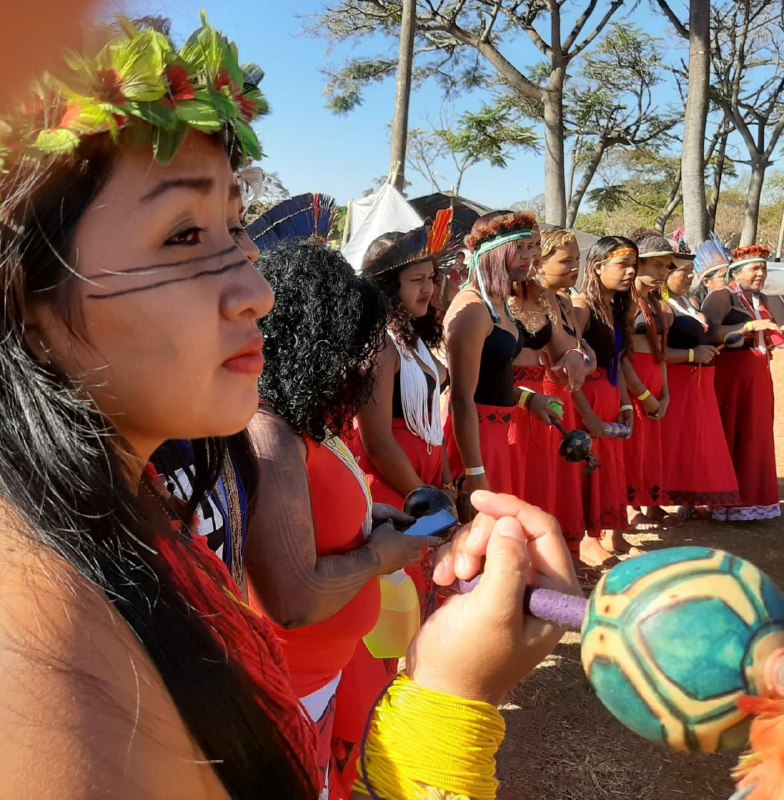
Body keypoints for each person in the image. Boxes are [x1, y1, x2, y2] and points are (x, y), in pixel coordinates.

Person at [0, 17, 581, 799]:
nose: (257, 291)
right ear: (25, 297)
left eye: (235, 228)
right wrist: (447, 708)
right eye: (183, 235)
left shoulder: (136, 501)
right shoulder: (44, 652)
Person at [246, 240, 433, 797]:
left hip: (322, 676)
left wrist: (372, 517)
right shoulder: (268, 435)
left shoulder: (300, 419)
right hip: (293, 684)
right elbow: (294, 600)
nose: (362, 364)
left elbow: (314, 513)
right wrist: (377, 557)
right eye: (350, 344)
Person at [442, 210, 560, 506]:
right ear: (492, 252)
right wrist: (475, 471)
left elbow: (492, 377)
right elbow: (461, 398)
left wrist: (528, 399)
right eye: (519, 247)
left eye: (531, 246)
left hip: (499, 434)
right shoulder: (473, 309)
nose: (529, 256)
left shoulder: (497, 304)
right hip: (478, 441)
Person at [353, 223, 452, 508]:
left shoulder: (411, 336)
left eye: (431, 277)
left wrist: (445, 484)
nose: (428, 288)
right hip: (393, 489)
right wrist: (426, 498)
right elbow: (377, 442)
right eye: (417, 279)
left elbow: (433, 425)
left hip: (425, 484)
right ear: (387, 286)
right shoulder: (380, 344)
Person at [702, 245, 783, 522]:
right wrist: (748, 327)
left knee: (755, 434)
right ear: (736, 273)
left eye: (763, 268)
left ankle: (753, 499)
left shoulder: (762, 298)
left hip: (758, 375)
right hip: (731, 377)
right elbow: (709, 333)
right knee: (734, 431)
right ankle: (727, 502)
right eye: (754, 268)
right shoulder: (722, 296)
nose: (761, 273)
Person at [572, 237, 637, 567]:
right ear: (597, 267)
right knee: (588, 468)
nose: (630, 272)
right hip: (587, 399)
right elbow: (566, 366)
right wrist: (586, 414)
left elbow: (617, 362)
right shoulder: (581, 307)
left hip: (609, 397)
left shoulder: (616, 308)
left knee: (610, 469)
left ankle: (613, 532)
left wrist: (626, 404)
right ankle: (588, 540)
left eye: (633, 266)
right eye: (622, 265)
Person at [661, 250, 740, 516]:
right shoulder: (660, 306)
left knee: (695, 441)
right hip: (677, 380)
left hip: (699, 383)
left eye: (691, 271)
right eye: (683, 271)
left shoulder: (688, 301)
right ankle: (654, 501)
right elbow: (653, 353)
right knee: (674, 440)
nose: (689, 276)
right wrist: (693, 355)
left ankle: (691, 496)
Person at [534, 229, 597, 559]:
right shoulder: (536, 300)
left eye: (577, 259)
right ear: (539, 263)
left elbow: (581, 354)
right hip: (546, 395)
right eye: (565, 260)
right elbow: (563, 360)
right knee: (548, 476)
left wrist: (580, 356)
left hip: (564, 394)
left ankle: (566, 553)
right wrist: (580, 356)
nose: (574, 267)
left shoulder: (564, 301)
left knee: (564, 476)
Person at [622, 230, 674, 531]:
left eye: (666, 266)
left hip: (654, 377)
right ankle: (630, 507)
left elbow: (661, 351)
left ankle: (651, 502)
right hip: (634, 383)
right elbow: (620, 356)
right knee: (632, 446)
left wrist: (665, 392)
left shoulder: (654, 302)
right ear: (637, 264)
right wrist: (643, 394)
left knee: (651, 447)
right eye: (656, 265)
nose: (663, 272)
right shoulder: (623, 303)